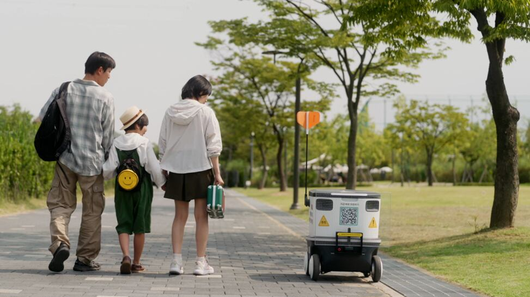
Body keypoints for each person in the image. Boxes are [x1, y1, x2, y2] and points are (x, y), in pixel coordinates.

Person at [38, 51, 116, 272]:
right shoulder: (106, 97)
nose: (109, 77)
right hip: (92, 163)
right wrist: (110, 162)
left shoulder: (64, 89)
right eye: (109, 72)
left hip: (65, 158)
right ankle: (85, 259)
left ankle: (60, 243)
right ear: (99, 70)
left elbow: (44, 117)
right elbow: (108, 134)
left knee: (60, 204)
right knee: (92, 210)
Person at [158, 75, 223, 276]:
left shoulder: (170, 111)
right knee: (201, 217)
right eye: (207, 95)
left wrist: (164, 167)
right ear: (200, 92)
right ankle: (200, 263)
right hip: (201, 167)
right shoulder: (206, 112)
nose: (207, 99)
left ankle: (176, 262)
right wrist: (217, 174)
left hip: (176, 169)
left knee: (180, 216)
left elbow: (163, 142)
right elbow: (213, 146)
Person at [103, 106, 166, 274]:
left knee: (123, 222)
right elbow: (154, 168)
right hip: (142, 188)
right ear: (138, 126)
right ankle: (137, 263)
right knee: (140, 225)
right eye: (144, 127)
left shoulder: (116, 143)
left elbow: (108, 169)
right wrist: (162, 184)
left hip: (122, 188)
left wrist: (109, 176)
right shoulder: (144, 143)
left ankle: (125, 256)